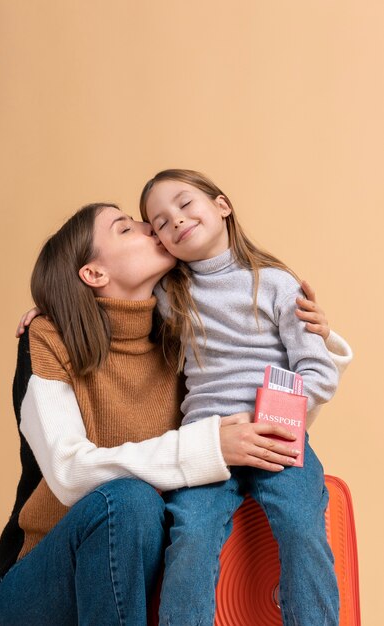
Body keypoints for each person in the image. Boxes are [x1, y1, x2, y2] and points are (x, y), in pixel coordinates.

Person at [0, 202, 350, 626]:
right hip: (41, 581)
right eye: (126, 228)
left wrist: (315, 338)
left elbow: (267, 427)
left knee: (173, 509)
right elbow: (69, 474)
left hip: (138, 570)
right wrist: (210, 445)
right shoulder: (49, 338)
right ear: (94, 274)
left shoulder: (179, 336)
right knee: (128, 499)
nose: (150, 228)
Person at [140, 169, 352, 626]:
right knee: (191, 535)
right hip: (207, 441)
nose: (174, 221)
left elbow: (317, 372)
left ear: (222, 205)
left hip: (275, 433)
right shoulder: (168, 297)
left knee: (302, 526)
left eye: (184, 204)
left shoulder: (276, 283)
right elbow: (107, 308)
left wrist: (267, 417)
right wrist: (52, 310)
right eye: (158, 222)